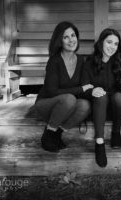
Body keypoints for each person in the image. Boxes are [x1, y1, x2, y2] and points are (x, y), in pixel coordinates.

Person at [33, 21, 93, 152]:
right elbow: (52, 91)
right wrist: (81, 89)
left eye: (73, 35)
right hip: (46, 104)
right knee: (70, 99)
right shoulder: (54, 61)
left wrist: (95, 91)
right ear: (60, 41)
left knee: (85, 105)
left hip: (66, 106)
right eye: (66, 37)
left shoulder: (81, 60)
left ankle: (56, 135)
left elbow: (85, 86)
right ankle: (48, 135)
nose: (71, 40)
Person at [82, 28, 121, 168]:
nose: (112, 47)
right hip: (97, 109)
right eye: (109, 42)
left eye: (116, 44)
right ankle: (99, 142)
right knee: (101, 96)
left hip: (114, 109)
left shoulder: (118, 62)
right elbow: (83, 87)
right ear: (101, 42)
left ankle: (116, 133)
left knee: (120, 98)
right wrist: (92, 91)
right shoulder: (88, 63)